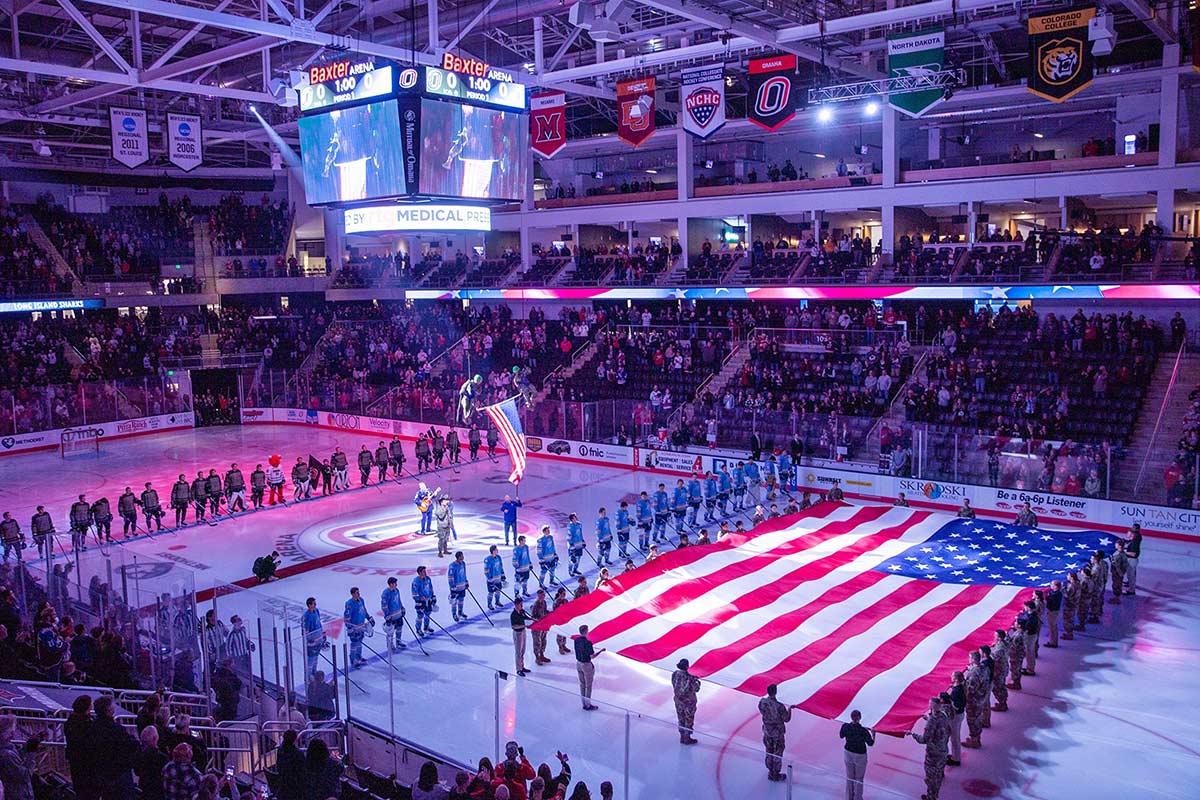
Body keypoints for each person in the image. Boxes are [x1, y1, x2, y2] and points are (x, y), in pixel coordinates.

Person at [93, 694, 138, 798]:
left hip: (102, 771)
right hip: (118, 773)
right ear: (109, 710)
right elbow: (129, 746)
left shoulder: (93, 727)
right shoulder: (116, 729)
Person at [909, 696, 951, 800]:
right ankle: (937, 785)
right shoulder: (944, 715)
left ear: (932, 706)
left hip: (933, 754)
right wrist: (927, 718)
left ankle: (931, 797)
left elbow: (924, 739)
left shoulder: (932, 720)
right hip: (943, 749)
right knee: (939, 771)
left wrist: (912, 734)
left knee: (931, 778)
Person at [65, 694, 98, 799]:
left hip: (75, 759)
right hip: (87, 761)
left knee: (80, 789)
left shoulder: (70, 722)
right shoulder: (86, 724)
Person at [839, 709, 875, 800]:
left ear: (851, 717)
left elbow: (841, 735)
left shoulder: (846, 726)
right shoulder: (863, 731)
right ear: (860, 718)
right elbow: (870, 743)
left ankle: (848, 797)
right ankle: (858, 798)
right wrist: (873, 734)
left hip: (848, 753)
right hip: (860, 755)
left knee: (849, 776)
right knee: (859, 778)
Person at [758, 684, 791, 781]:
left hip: (767, 731)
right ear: (775, 692)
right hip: (777, 733)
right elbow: (786, 719)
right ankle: (775, 774)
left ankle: (770, 771)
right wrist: (789, 710)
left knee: (769, 751)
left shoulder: (762, 702)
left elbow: (761, 711)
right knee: (777, 752)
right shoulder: (779, 706)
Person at [574, 624, 604, 710]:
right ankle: (588, 705)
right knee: (588, 686)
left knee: (582, 684)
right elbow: (592, 656)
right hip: (586, 665)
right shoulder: (588, 643)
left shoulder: (576, 640)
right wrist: (601, 651)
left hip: (578, 664)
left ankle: (583, 703)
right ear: (586, 631)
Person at [672, 658, 701, 744]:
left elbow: (674, 684)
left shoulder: (675, 674)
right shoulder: (690, 677)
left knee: (681, 718)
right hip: (688, 703)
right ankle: (687, 738)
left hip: (678, 700)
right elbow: (696, 689)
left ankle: (682, 736)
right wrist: (697, 681)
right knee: (688, 719)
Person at [135, 725, 168, 800]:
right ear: (155, 738)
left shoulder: (139, 754)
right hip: (158, 791)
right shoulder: (162, 758)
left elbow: (137, 771)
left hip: (144, 788)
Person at [343, 586, 372, 668]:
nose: (359, 594)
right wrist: (349, 627)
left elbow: (364, 610)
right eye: (357, 593)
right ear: (352, 594)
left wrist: (368, 617)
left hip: (361, 625)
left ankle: (358, 656)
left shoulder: (361, 600)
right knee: (354, 643)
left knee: (360, 642)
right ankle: (353, 659)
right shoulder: (349, 604)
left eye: (359, 592)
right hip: (354, 627)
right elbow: (347, 617)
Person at [301, 596, 327, 676]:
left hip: (318, 640)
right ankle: (308, 676)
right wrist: (309, 640)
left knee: (316, 658)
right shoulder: (306, 616)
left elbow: (318, 623)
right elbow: (305, 631)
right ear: (309, 605)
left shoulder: (316, 611)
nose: (315, 605)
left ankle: (314, 673)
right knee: (311, 659)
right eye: (314, 603)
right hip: (312, 642)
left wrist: (323, 634)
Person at [381, 576, 407, 651]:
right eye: (395, 583)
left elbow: (399, 600)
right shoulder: (386, 593)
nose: (396, 584)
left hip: (398, 614)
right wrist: (387, 615)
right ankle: (390, 644)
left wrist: (402, 608)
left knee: (399, 628)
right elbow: (384, 606)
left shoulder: (396, 590)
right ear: (391, 584)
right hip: (391, 616)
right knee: (391, 631)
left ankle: (398, 642)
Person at [412, 566, 436, 637]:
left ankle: (426, 627)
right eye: (423, 571)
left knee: (428, 614)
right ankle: (418, 628)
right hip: (420, 602)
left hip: (428, 600)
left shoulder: (428, 579)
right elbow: (414, 593)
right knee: (420, 615)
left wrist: (432, 596)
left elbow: (430, 588)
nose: (425, 573)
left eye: (425, 571)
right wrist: (418, 599)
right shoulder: (416, 581)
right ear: (419, 573)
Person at [511, 597, 532, 676]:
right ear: (516, 604)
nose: (522, 606)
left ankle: (522, 666)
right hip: (518, 633)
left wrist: (533, 619)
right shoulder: (513, 615)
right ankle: (518, 669)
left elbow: (526, 617)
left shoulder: (522, 611)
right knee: (518, 652)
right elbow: (514, 627)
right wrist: (524, 626)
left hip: (523, 632)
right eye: (521, 604)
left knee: (523, 650)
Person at [448, 551, 469, 622]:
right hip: (455, 588)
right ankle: (454, 614)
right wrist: (452, 587)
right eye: (462, 556)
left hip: (462, 586)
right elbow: (450, 577)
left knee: (461, 600)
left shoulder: (463, 564)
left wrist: (466, 581)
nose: (463, 557)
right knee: (454, 602)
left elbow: (464, 574)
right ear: (458, 557)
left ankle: (460, 612)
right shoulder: (452, 566)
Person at [1125, 523, 1141, 595]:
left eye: (1129, 534)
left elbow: (1133, 553)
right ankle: (1130, 584)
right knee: (1131, 574)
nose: (1127, 535)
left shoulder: (1135, 542)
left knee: (1131, 575)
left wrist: (1124, 552)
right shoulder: (1134, 540)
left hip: (1132, 559)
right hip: (1132, 559)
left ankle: (1131, 590)